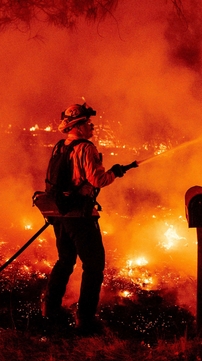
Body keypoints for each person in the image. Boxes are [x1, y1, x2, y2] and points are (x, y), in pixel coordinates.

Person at [41, 103, 134, 335]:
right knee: (94, 266)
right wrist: (114, 172)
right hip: (80, 215)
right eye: (88, 123)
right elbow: (97, 180)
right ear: (79, 126)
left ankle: (49, 308)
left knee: (65, 260)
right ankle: (86, 319)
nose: (92, 126)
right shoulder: (86, 148)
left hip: (59, 214)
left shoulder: (61, 146)